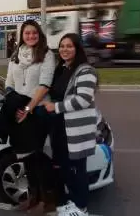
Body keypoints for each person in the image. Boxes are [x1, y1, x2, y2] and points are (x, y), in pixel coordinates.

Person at [0, 19, 56, 212]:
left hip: (37, 111)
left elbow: (45, 84)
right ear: (21, 35)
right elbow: (8, 82)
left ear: (39, 34)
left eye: (34, 33)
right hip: (19, 111)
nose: (31, 36)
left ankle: (48, 200)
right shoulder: (16, 55)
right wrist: (14, 100)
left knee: (39, 157)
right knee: (26, 158)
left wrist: (28, 108)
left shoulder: (46, 55)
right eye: (27, 33)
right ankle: (33, 197)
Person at [42, 33, 99, 216]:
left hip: (75, 130)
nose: (64, 50)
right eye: (62, 46)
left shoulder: (85, 71)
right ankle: (72, 203)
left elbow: (82, 100)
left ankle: (81, 206)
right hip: (59, 127)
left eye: (69, 46)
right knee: (64, 167)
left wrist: (55, 107)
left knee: (77, 169)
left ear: (77, 49)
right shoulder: (62, 69)